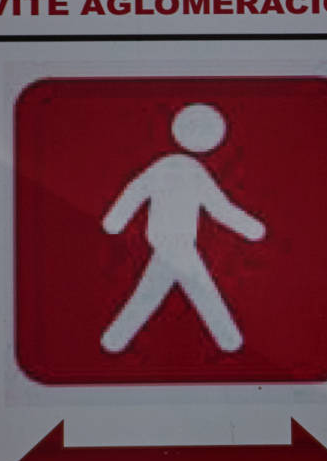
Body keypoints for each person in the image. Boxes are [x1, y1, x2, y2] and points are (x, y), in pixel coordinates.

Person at [99, 103, 265, 354]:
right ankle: (229, 340)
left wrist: (115, 222)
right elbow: (219, 208)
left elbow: (135, 191)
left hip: (168, 242)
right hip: (176, 243)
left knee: (153, 293)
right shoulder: (188, 169)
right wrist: (252, 229)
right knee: (194, 291)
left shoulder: (170, 167)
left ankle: (115, 340)